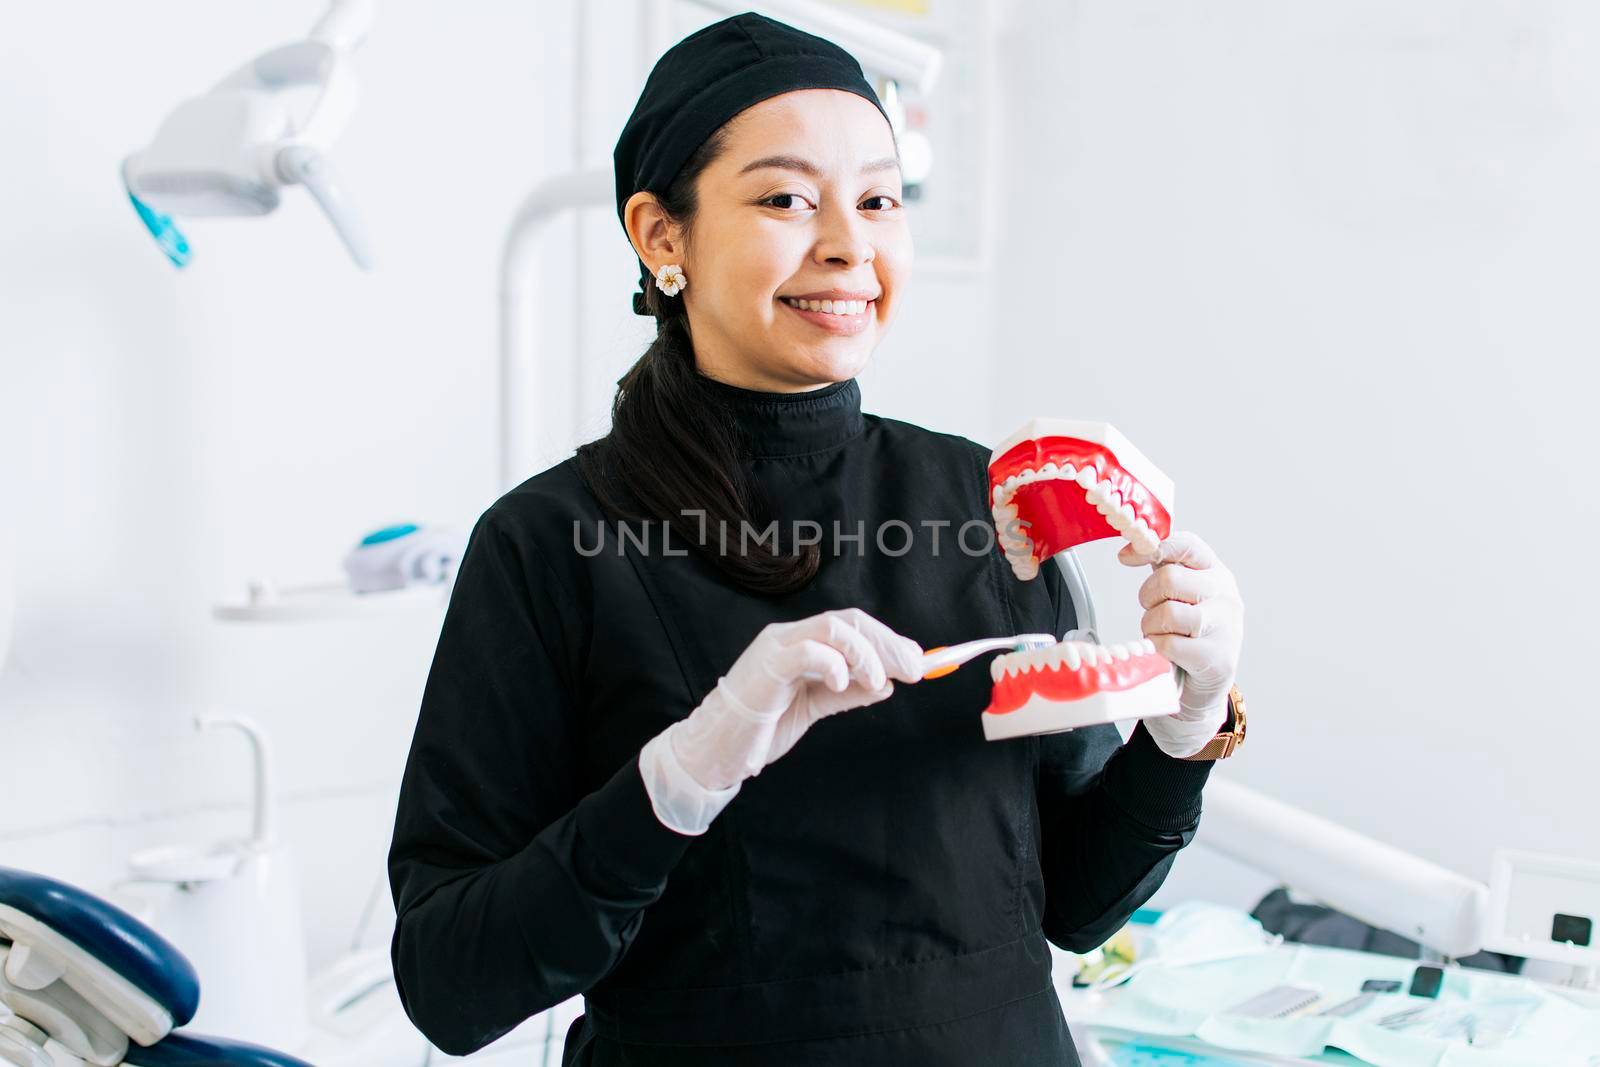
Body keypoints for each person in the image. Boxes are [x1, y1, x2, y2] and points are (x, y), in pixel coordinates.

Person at [386, 12, 1245, 1065]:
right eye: (787, 198)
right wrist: (679, 777)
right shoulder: (549, 544)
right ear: (662, 237)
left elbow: (1074, 898)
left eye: (879, 198)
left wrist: (1185, 724)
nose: (849, 243)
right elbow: (448, 983)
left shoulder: (983, 501)